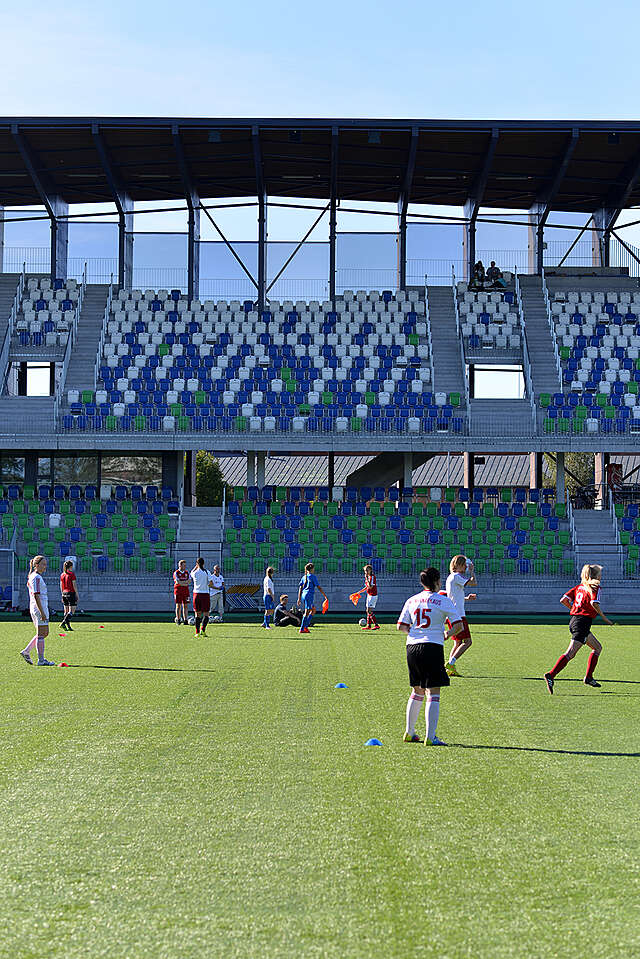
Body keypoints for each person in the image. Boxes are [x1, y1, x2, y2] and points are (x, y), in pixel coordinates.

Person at [397, 567, 463, 745]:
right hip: (432, 646)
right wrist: (447, 634)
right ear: (436, 582)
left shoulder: (411, 600)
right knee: (433, 692)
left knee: (416, 690)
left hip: (412, 647)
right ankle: (431, 736)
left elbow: (401, 626)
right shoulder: (443, 601)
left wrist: (415, 632)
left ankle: (409, 732)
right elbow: (459, 626)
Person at [544, 564, 614, 694]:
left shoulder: (579, 587)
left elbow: (563, 600)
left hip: (576, 621)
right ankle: (551, 675)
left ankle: (589, 677)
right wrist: (605, 618)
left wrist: (575, 611)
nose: (601, 576)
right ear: (596, 575)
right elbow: (594, 603)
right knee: (570, 653)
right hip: (582, 623)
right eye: (599, 573)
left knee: (597, 647)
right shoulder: (595, 587)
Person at [20, 555, 55, 666]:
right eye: (43, 564)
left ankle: (26, 651)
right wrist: (42, 612)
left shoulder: (34, 576)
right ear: (36, 565)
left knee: (44, 633)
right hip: (39, 608)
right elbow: (36, 595)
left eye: (45, 564)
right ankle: (41, 660)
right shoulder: (36, 577)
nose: (45, 567)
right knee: (41, 634)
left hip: (38, 607)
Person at [445, 555, 477, 676]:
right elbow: (474, 583)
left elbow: (453, 597)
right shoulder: (457, 576)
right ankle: (451, 663)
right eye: (464, 565)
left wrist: (466, 598)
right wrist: (473, 571)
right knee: (468, 642)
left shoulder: (450, 577)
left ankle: (450, 668)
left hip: (451, 614)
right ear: (458, 565)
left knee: (457, 642)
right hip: (458, 615)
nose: (466, 568)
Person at [297, 562, 327, 635]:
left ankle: (306, 627)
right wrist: (324, 595)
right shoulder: (313, 577)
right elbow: (318, 587)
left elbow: (300, 588)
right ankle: (302, 628)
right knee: (307, 612)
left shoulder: (304, 577)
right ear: (312, 569)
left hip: (304, 595)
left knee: (313, 610)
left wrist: (299, 598)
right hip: (309, 595)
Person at [190, 558, 214, 638]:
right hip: (205, 594)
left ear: (197, 564)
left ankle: (197, 632)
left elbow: (191, 573)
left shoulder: (194, 572)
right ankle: (203, 630)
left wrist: (196, 566)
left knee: (197, 614)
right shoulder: (207, 572)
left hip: (196, 594)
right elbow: (210, 583)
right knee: (206, 614)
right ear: (204, 564)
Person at [60, 559, 79, 631]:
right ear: (70, 566)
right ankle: (63, 623)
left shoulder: (62, 575)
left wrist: (62, 594)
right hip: (71, 593)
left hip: (64, 593)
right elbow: (74, 585)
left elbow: (61, 585)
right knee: (71, 612)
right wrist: (77, 594)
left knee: (66, 611)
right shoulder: (72, 574)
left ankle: (68, 626)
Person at [359, 564, 380, 630]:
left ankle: (376, 625)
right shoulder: (367, 577)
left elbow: (370, 587)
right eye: (365, 571)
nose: (366, 572)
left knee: (369, 610)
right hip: (369, 595)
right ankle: (369, 626)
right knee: (367, 611)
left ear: (370, 570)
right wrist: (359, 592)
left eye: (367, 570)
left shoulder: (372, 577)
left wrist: (367, 579)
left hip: (373, 595)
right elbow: (367, 587)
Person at [173, 559, 190, 625]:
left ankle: (186, 620)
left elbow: (189, 581)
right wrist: (184, 583)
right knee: (178, 605)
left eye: (185, 565)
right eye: (183, 565)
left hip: (186, 591)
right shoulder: (176, 572)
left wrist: (182, 583)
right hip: (178, 591)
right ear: (180, 565)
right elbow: (177, 582)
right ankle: (178, 619)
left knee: (186, 605)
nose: (185, 567)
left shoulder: (187, 572)